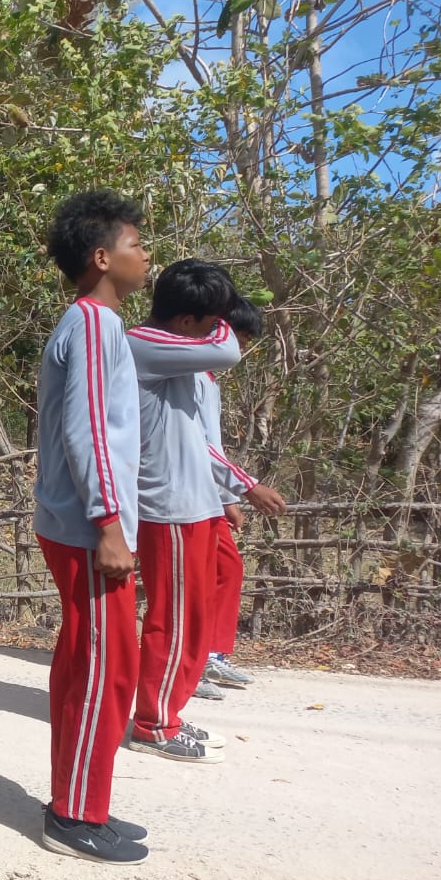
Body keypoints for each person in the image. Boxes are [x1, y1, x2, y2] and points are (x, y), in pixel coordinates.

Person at [33, 189, 150, 865]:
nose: (145, 257)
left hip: (77, 520)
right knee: (103, 668)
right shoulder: (97, 324)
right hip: (89, 526)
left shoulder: (85, 323)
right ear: (103, 257)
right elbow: (91, 433)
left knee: (90, 661)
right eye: (137, 245)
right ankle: (75, 813)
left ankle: (83, 798)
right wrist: (110, 523)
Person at [124, 259, 243, 763]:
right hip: (166, 504)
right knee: (171, 622)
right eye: (212, 317)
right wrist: (224, 324)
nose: (221, 329)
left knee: (191, 620)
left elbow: (201, 438)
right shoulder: (141, 342)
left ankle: (167, 711)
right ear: (188, 322)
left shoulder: (183, 360)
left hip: (194, 503)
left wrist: (234, 490)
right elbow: (230, 350)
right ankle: (152, 723)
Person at [195, 296, 287, 697]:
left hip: (206, 494)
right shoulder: (191, 376)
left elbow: (211, 446)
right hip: (182, 497)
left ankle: (210, 652)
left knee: (226, 571)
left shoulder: (208, 381)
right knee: (198, 581)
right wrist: (245, 487)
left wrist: (225, 498)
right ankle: (193, 660)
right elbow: (196, 446)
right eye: (239, 338)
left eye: (245, 343)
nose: (239, 351)